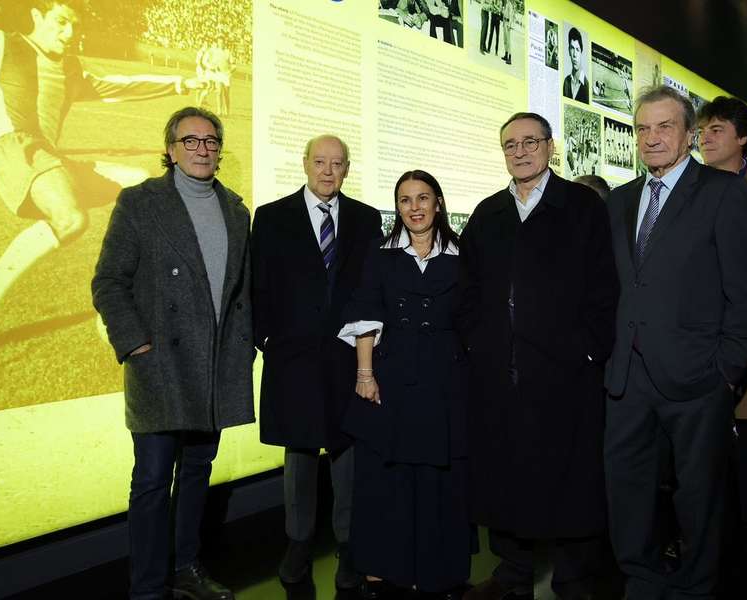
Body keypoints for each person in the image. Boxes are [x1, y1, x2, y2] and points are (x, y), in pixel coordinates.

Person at [0, 0, 200, 358]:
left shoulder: (70, 68)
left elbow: (116, 85)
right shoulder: (0, 45)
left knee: (140, 184)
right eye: (60, 22)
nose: (69, 33)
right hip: (16, 151)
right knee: (72, 219)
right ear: (36, 16)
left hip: (50, 159)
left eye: (75, 26)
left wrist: (182, 83)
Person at [604, 86, 747, 600]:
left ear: (690, 134)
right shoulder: (622, 200)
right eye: (642, 128)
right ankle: (641, 578)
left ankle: (697, 588)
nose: (651, 138)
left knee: (699, 496)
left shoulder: (722, 192)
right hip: (627, 379)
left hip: (698, 380)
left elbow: (742, 292)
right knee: (628, 491)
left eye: (664, 126)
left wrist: (728, 371)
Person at [92, 106, 254, 600]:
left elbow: (241, 289)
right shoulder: (140, 203)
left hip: (215, 368)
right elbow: (108, 281)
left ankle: (186, 569)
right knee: (152, 481)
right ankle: (146, 587)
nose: (202, 149)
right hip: (160, 366)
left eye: (210, 141)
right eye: (191, 141)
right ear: (170, 150)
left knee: (198, 474)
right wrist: (135, 344)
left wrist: (241, 351)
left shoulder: (235, 209)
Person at [459, 112, 618, 600]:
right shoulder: (488, 213)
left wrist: (589, 353)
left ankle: (572, 576)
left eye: (531, 141)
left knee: (570, 478)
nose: (521, 151)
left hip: (566, 374)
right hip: (501, 376)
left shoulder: (582, 207)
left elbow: (604, 288)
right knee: (505, 476)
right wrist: (478, 348)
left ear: (551, 146)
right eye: (511, 144)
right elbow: (468, 292)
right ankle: (513, 571)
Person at [251, 135, 383, 590]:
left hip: (348, 359)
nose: (328, 171)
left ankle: (348, 545)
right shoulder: (271, 218)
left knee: (348, 453)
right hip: (293, 360)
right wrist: (265, 340)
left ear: (348, 169)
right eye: (320, 162)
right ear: (305, 164)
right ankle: (299, 542)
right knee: (300, 453)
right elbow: (259, 286)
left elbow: (372, 288)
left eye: (337, 164)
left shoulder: (367, 220)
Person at [338, 170, 470, 600]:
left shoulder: (461, 254)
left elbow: (473, 320)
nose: (414, 207)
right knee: (386, 479)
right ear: (397, 208)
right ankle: (382, 568)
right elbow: (365, 316)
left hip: (445, 381)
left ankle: (435, 571)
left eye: (423, 198)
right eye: (405, 200)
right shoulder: (380, 254)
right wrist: (364, 375)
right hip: (389, 381)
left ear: (438, 203)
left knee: (438, 481)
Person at [698, 96, 747, 579]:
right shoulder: (687, 191)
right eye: (702, 129)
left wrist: (732, 311)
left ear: (744, 138)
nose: (705, 137)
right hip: (694, 352)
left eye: (717, 129)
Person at [562, 27, 588, 103]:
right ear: (569, 51)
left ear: (581, 52)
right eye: (572, 48)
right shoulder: (566, 81)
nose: (574, 55)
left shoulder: (587, 87)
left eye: (577, 49)